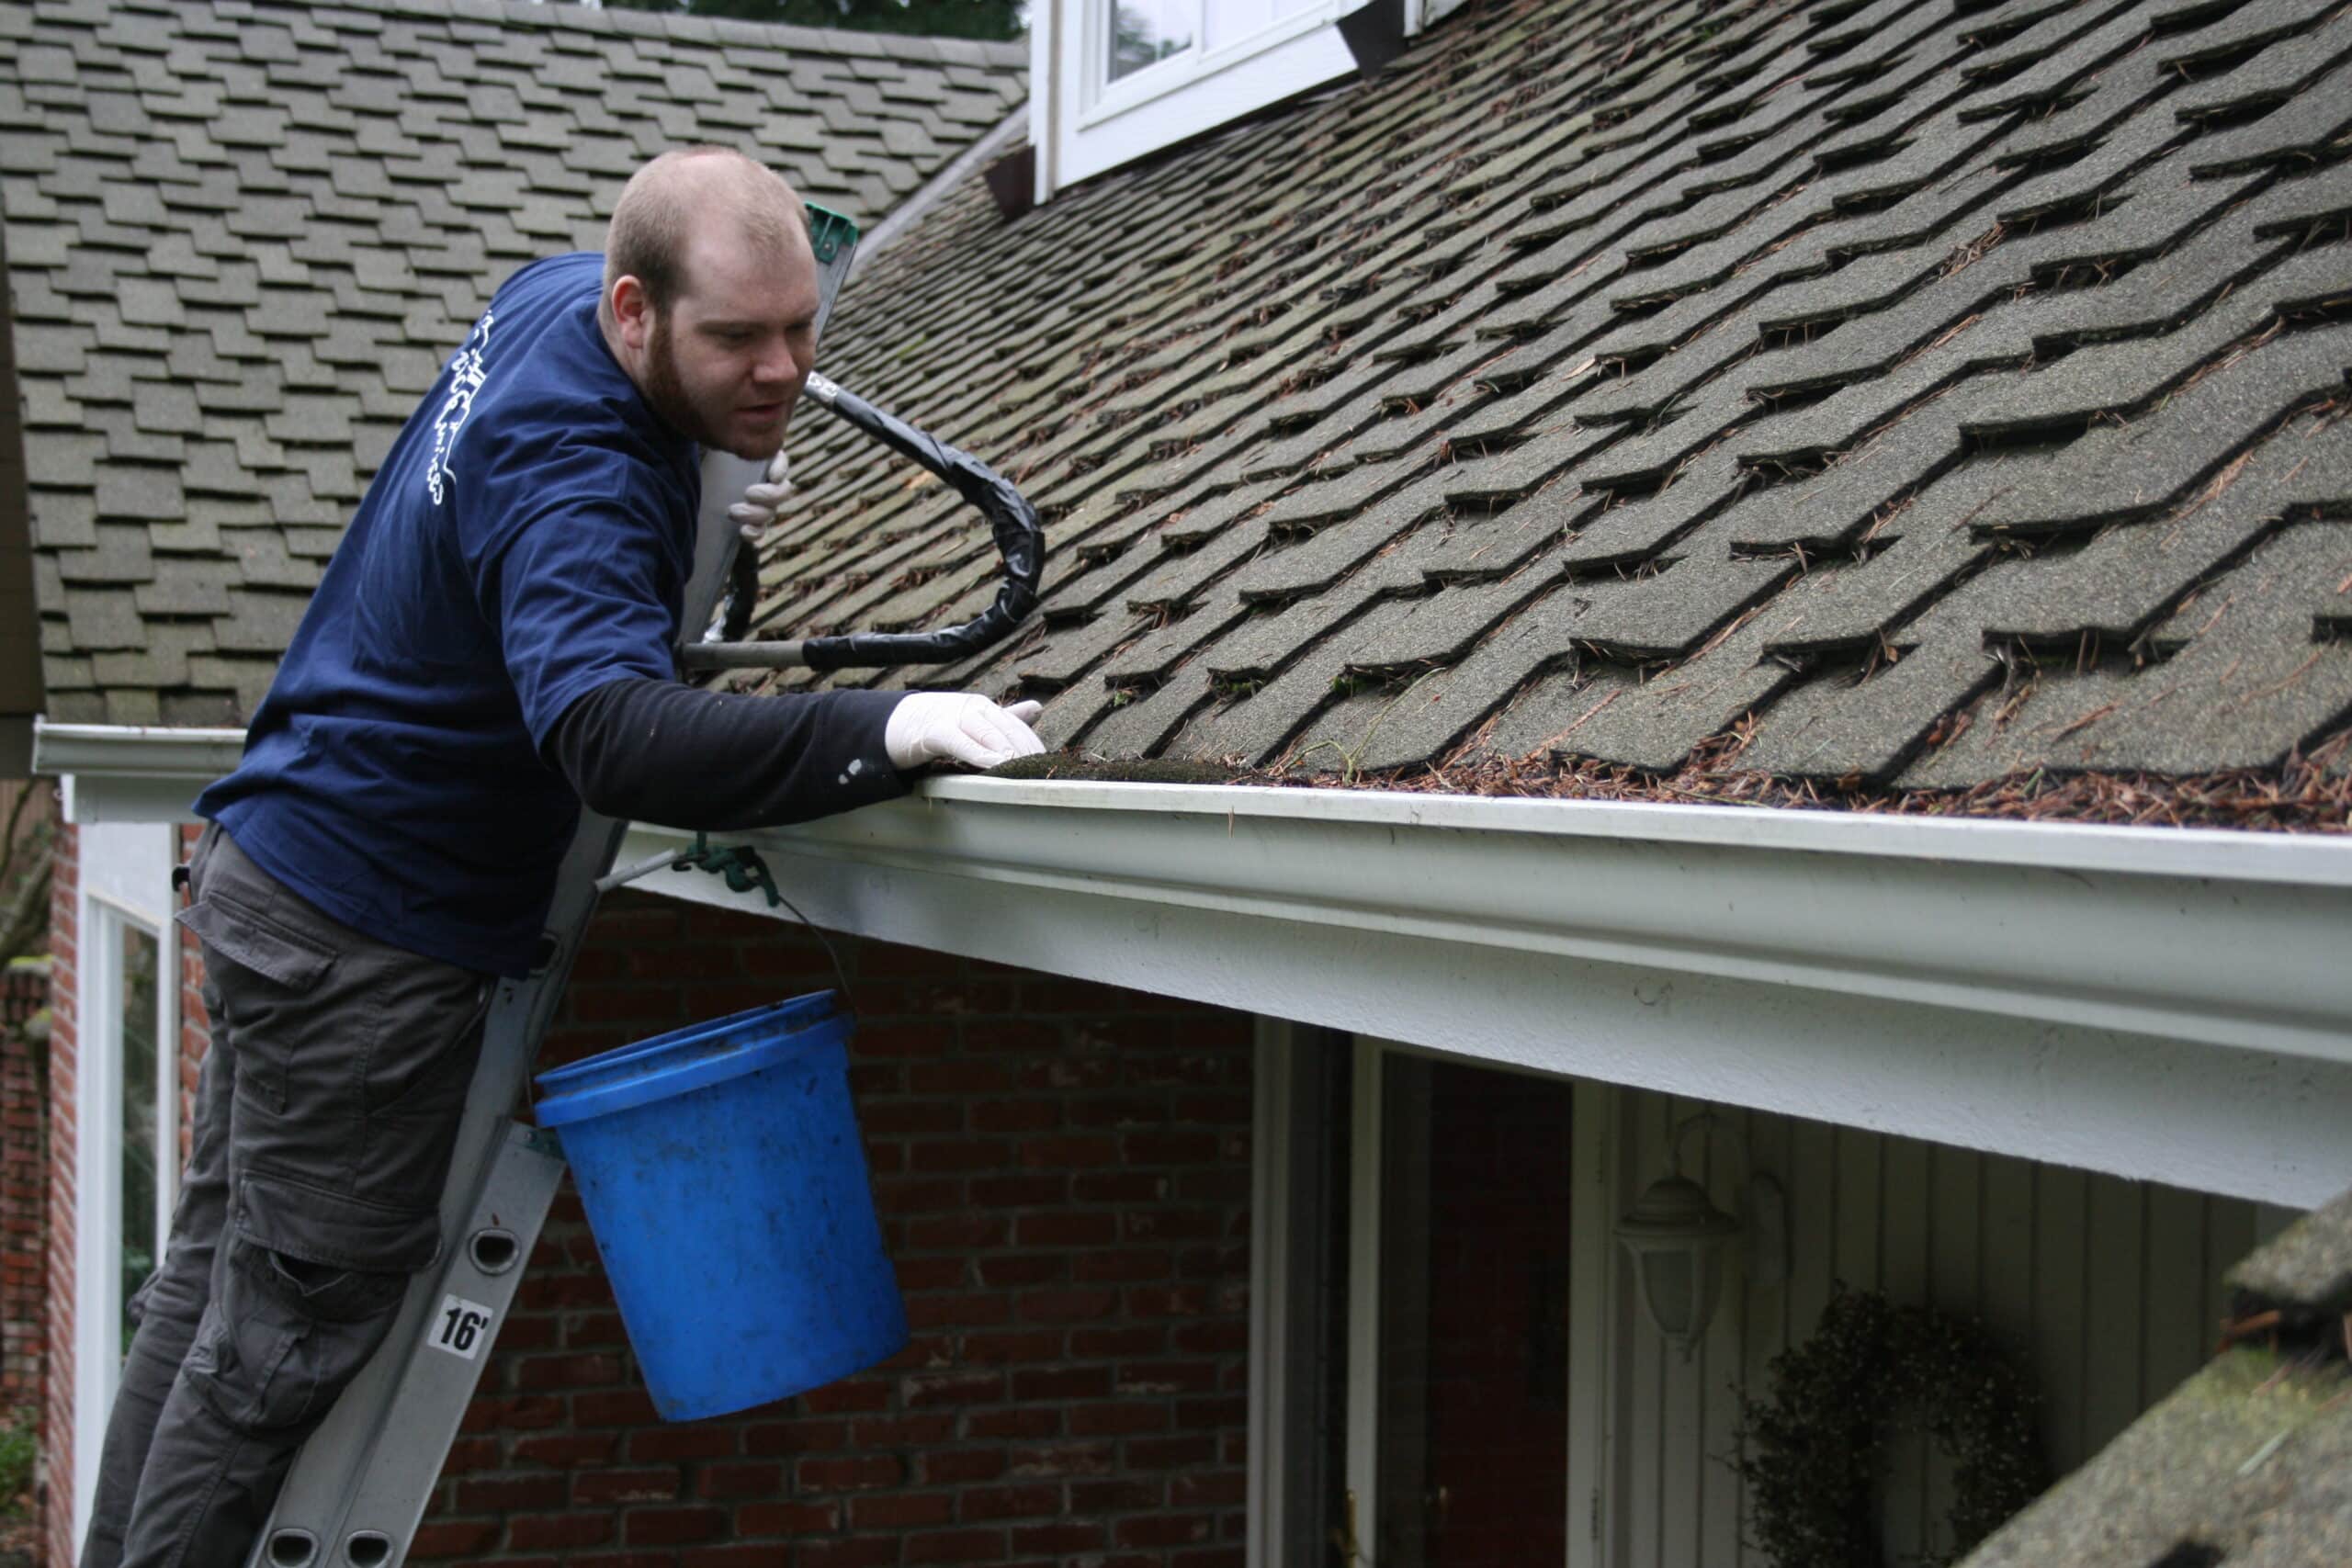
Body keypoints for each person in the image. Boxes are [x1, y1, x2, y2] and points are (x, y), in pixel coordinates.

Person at [81, 147, 1045, 1568]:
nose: (783, 371)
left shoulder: (551, 297)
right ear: (632, 312)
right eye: (739, 339)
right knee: (277, 1348)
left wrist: (707, 487)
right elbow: (608, 732)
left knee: (214, 1295)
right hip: (364, 942)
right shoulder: (575, 475)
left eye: (800, 329)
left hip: (282, 860)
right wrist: (879, 729)